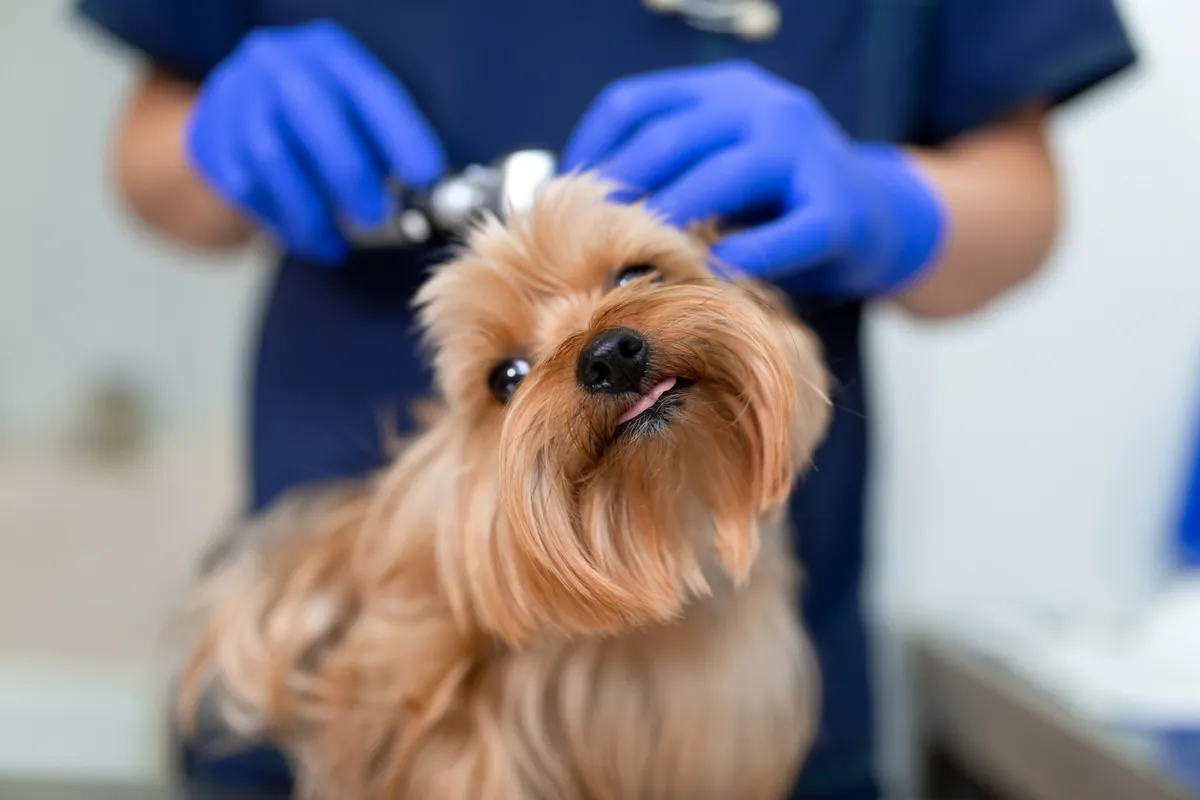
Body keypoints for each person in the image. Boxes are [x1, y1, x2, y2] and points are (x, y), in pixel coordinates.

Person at [76, 1, 1137, 797]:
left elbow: (1022, 195)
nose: (605, 347)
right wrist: (218, 133)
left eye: (637, 279)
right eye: (507, 375)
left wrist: (891, 204)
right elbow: (148, 160)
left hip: (771, 694)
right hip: (391, 682)